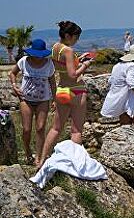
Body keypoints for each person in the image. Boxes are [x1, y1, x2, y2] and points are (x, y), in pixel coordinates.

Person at [40, 21, 93, 166]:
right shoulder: (69, 51)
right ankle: (76, 165)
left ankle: (42, 159)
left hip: (62, 89)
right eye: (76, 37)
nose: (77, 40)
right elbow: (73, 74)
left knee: (56, 128)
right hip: (76, 90)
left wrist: (79, 59)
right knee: (76, 131)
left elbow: (64, 67)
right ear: (68, 35)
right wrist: (85, 65)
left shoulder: (56, 48)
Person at [8, 39, 55, 167]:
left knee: (40, 128)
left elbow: (52, 81)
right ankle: (28, 152)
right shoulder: (23, 61)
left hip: (43, 100)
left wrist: (54, 99)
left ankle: (39, 157)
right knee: (27, 129)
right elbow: (12, 73)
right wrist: (14, 86)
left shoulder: (49, 63)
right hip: (25, 99)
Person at [100, 44, 134, 125]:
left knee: (125, 123)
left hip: (120, 97)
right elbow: (130, 81)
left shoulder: (117, 66)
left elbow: (111, 80)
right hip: (132, 97)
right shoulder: (133, 66)